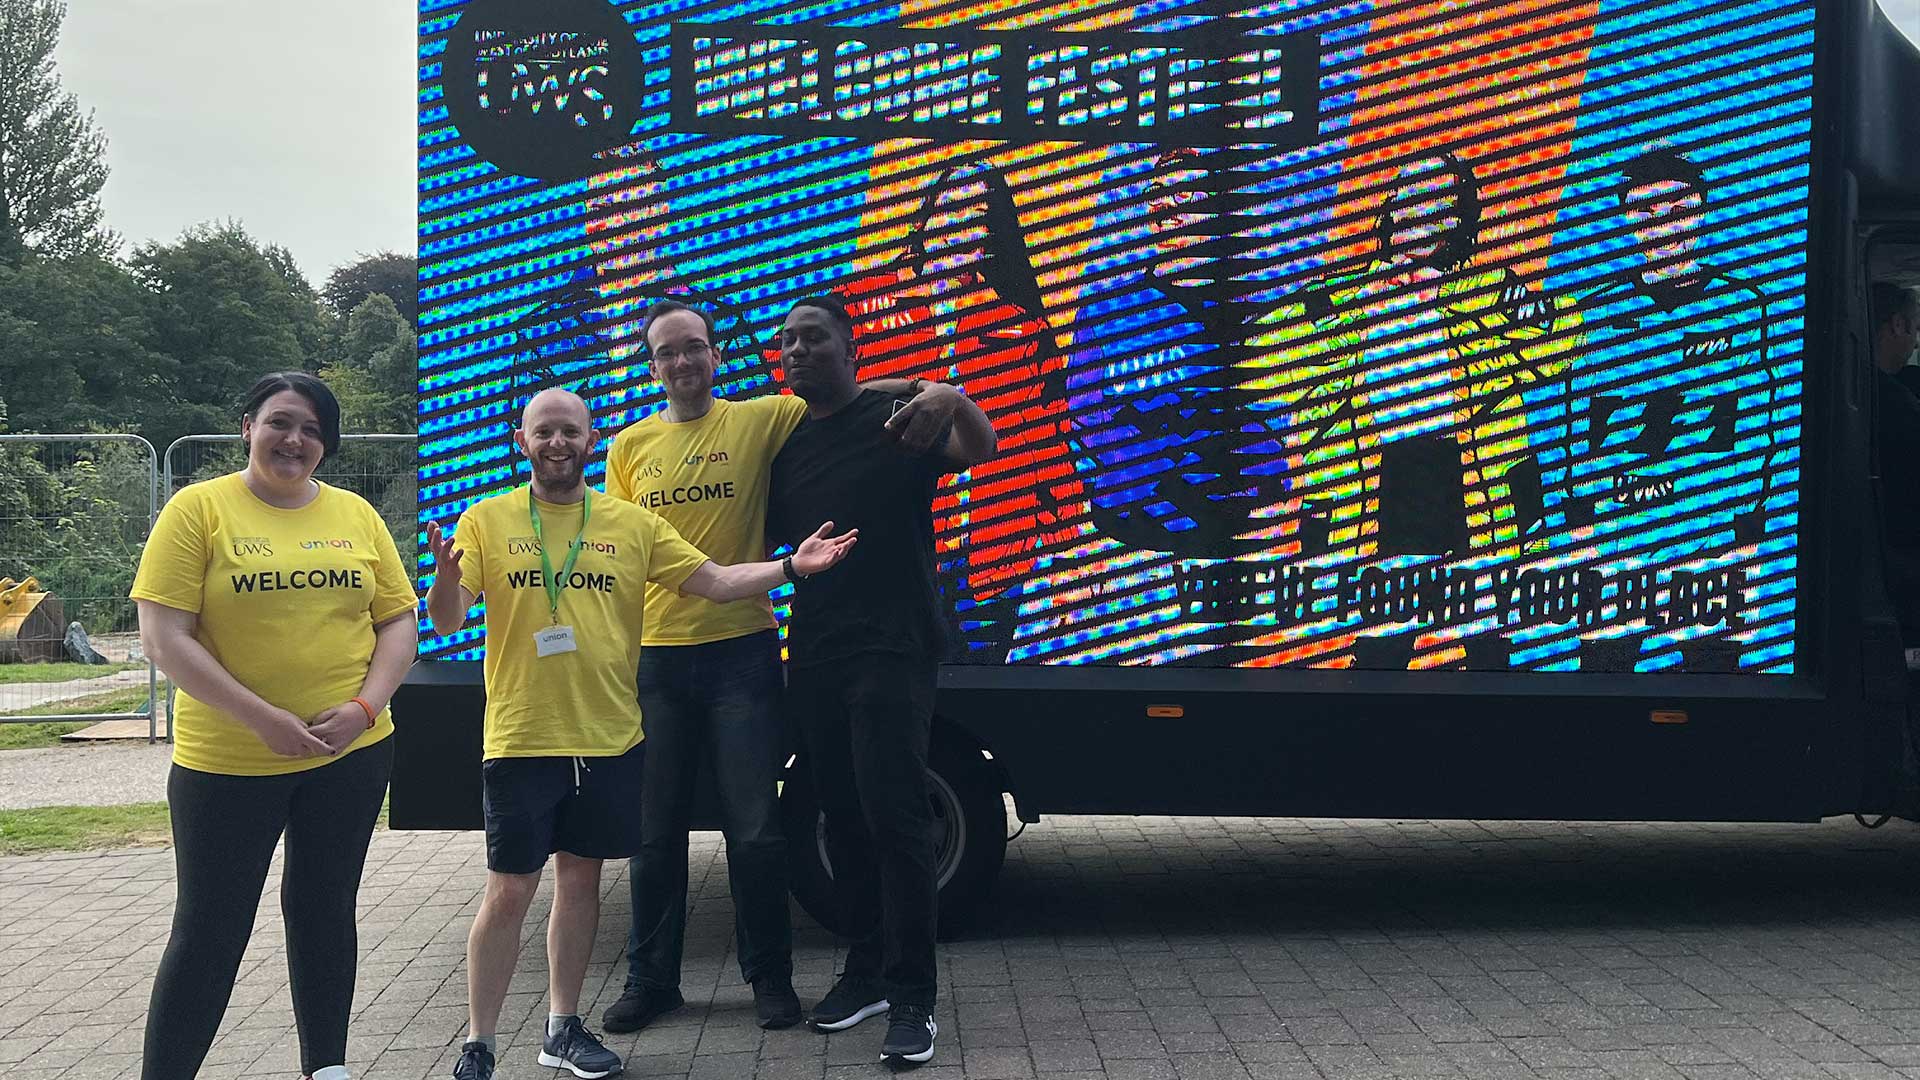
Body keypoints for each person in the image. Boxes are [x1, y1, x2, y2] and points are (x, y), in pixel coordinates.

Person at [425, 387, 859, 1080]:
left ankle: (562, 1029)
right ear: (521, 440)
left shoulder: (628, 523)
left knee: (581, 884)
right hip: (521, 737)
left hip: (608, 737)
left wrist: (788, 567)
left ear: (590, 440)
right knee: (509, 892)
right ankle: (479, 1044)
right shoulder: (487, 519)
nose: (557, 442)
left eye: (570, 430)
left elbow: (715, 581)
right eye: (544, 432)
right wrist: (444, 584)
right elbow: (448, 621)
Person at [599, 299, 974, 1035]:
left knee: (765, 832)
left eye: (694, 348)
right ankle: (654, 980)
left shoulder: (766, 417)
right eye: (666, 352)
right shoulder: (628, 446)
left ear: (717, 356)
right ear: (652, 366)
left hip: (753, 650)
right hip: (679, 658)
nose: (682, 362)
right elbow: (622, 550)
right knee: (661, 833)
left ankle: (788, 982)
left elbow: (857, 389)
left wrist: (939, 390)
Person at [132, 372, 419, 1080]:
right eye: (281, 422)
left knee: (325, 911)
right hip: (229, 762)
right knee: (209, 930)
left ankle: (327, 1067)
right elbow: (164, 638)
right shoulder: (198, 511)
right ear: (247, 427)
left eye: (313, 430)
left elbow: (398, 620)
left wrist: (363, 709)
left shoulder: (355, 515)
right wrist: (261, 719)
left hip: (349, 755)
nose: (296, 440)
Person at [766, 296, 997, 1066]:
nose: (799, 350)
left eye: (815, 338)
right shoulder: (787, 443)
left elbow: (983, 448)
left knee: (898, 819)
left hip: (894, 649)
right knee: (843, 815)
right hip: (819, 654)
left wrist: (950, 394)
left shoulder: (900, 422)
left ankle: (913, 998)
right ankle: (864, 971)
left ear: (849, 349)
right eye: (789, 340)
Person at [1870, 282, 1920, 631]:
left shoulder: (1867, 389)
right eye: (1915, 328)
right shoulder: (1897, 407)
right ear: (1897, 324)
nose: (1916, 341)